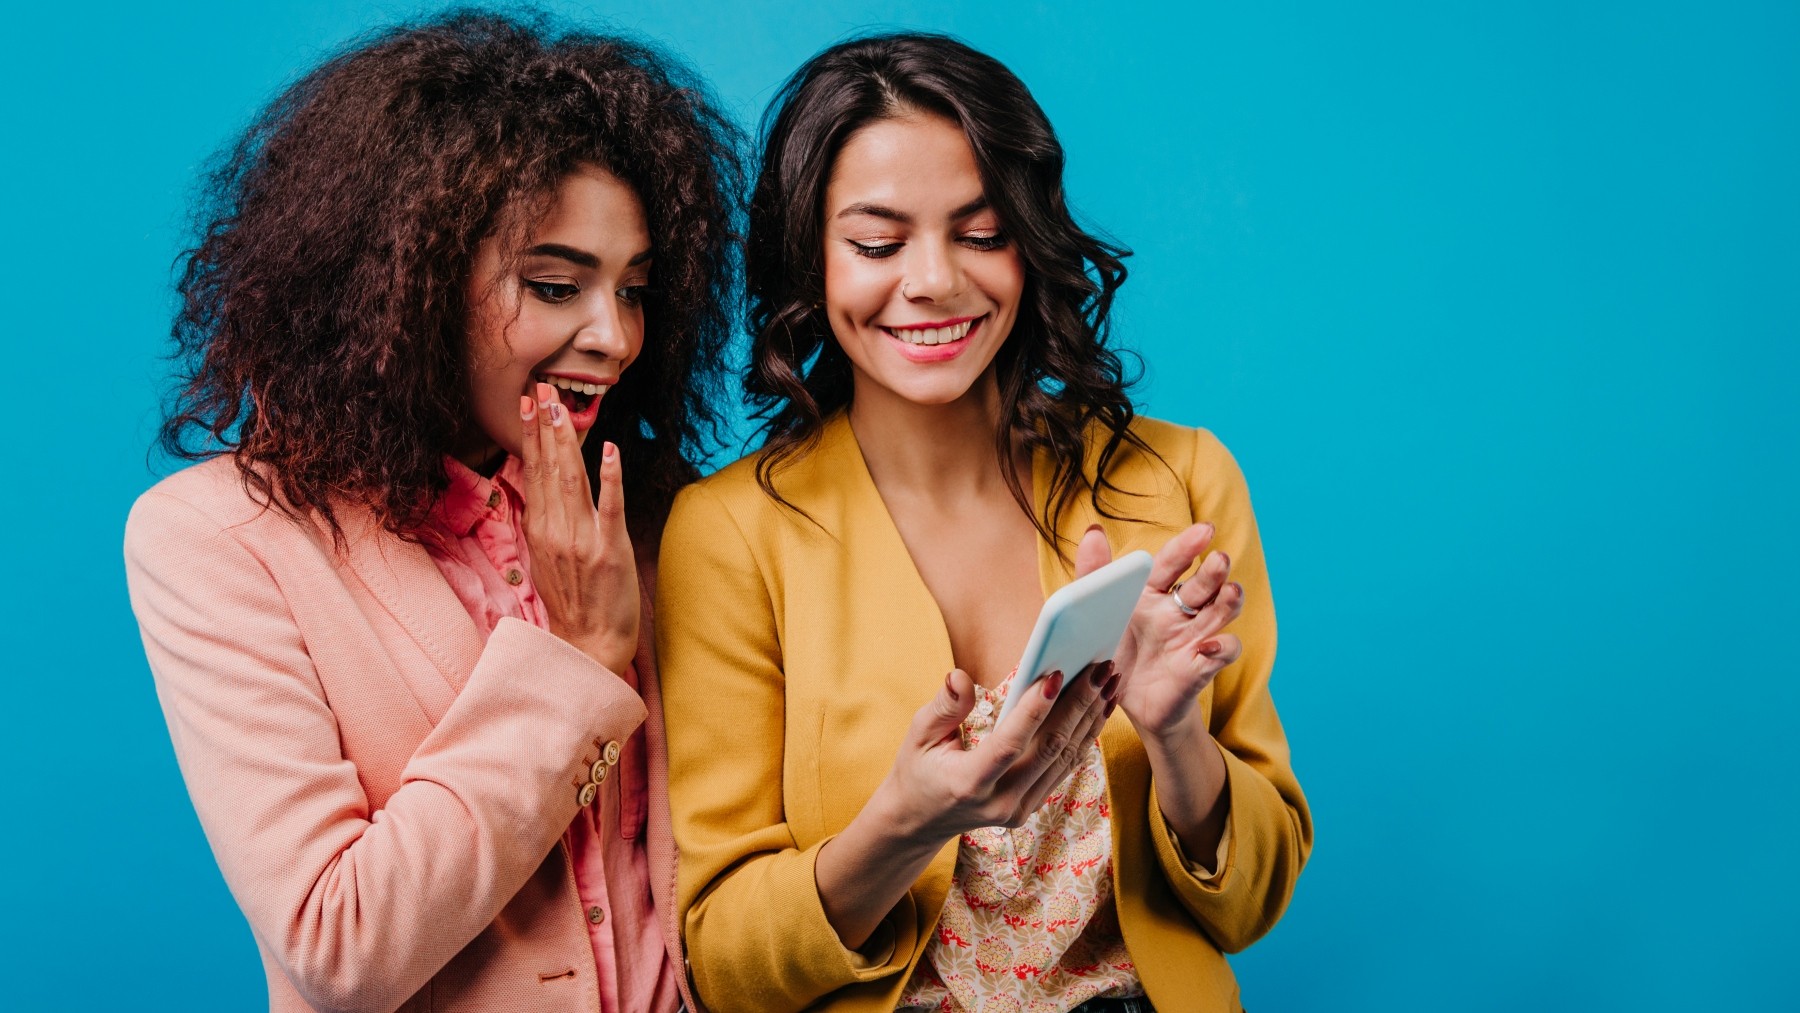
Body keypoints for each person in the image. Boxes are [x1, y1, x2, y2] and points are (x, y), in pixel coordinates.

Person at [656, 33, 1312, 1013]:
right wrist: (905, 826)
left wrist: (1177, 736)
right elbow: (722, 960)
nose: (935, 281)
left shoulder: (1178, 483)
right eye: (878, 242)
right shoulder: (731, 533)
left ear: (1031, 237)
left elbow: (1253, 903)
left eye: (980, 231)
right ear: (809, 259)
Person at [123, 11, 739, 1012]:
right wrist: (578, 655)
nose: (614, 336)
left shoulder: (652, 511)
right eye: (554, 284)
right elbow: (339, 943)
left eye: (635, 291)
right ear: (407, 282)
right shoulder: (214, 540)